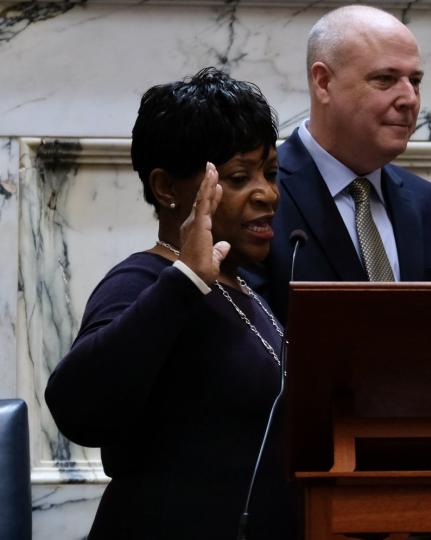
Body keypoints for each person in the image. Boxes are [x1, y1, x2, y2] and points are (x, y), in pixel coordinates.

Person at [44, 68, 296, 539]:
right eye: (239, 177)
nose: (268, 193)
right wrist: (184, 282)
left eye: (271, 173)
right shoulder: (142, 280)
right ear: (166, 188)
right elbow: (75, 406)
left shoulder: (242, 287)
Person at [256, 5, 431, 320]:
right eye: (385, 79)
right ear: (323, 82)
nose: (409, 99)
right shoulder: (257, 199)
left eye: (415, 81)